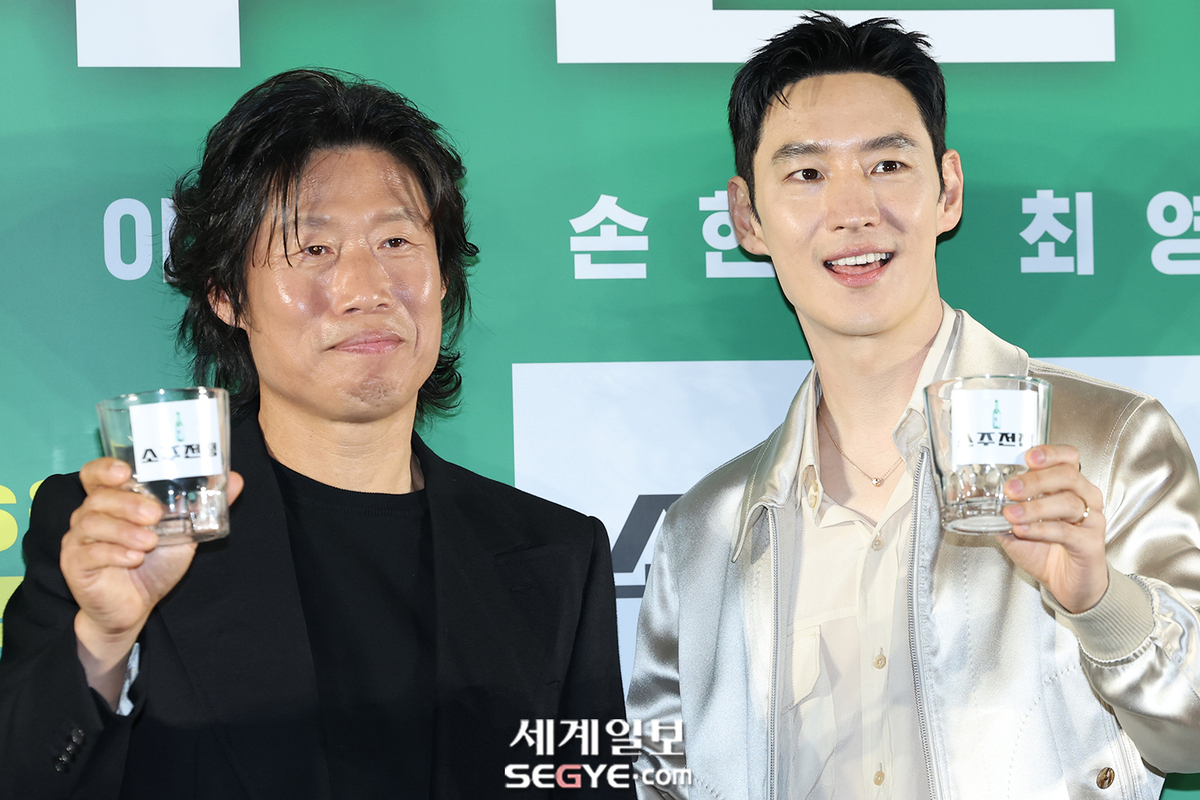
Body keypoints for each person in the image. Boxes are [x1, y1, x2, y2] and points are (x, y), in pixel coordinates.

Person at [0, 69, 629, 799]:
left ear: (443, 277)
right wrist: (104, 643)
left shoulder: (558, 555)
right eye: (314, 249)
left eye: (396, 240)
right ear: (228, 295)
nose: (367, 290)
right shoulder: (126, 532)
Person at [626, 13, 1200, 800]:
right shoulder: (702, 534)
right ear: (747, 218)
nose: (853, 209)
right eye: (807, 173)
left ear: (948, 190)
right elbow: (661, 782)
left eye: (888, 164)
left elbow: (1192, 732)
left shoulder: (1107, 444)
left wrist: (1100, 603)